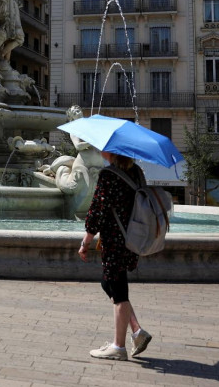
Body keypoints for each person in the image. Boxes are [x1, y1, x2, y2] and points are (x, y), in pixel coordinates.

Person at [79, 151, 152, 361]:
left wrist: (86, 241)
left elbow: (97, 211)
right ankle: (137, 331)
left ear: (110, 152)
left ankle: (118, 347)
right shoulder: (136, 172)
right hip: (133, 237)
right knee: (108, 283)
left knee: (119, 291)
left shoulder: (109, 175)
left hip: (115, 240)